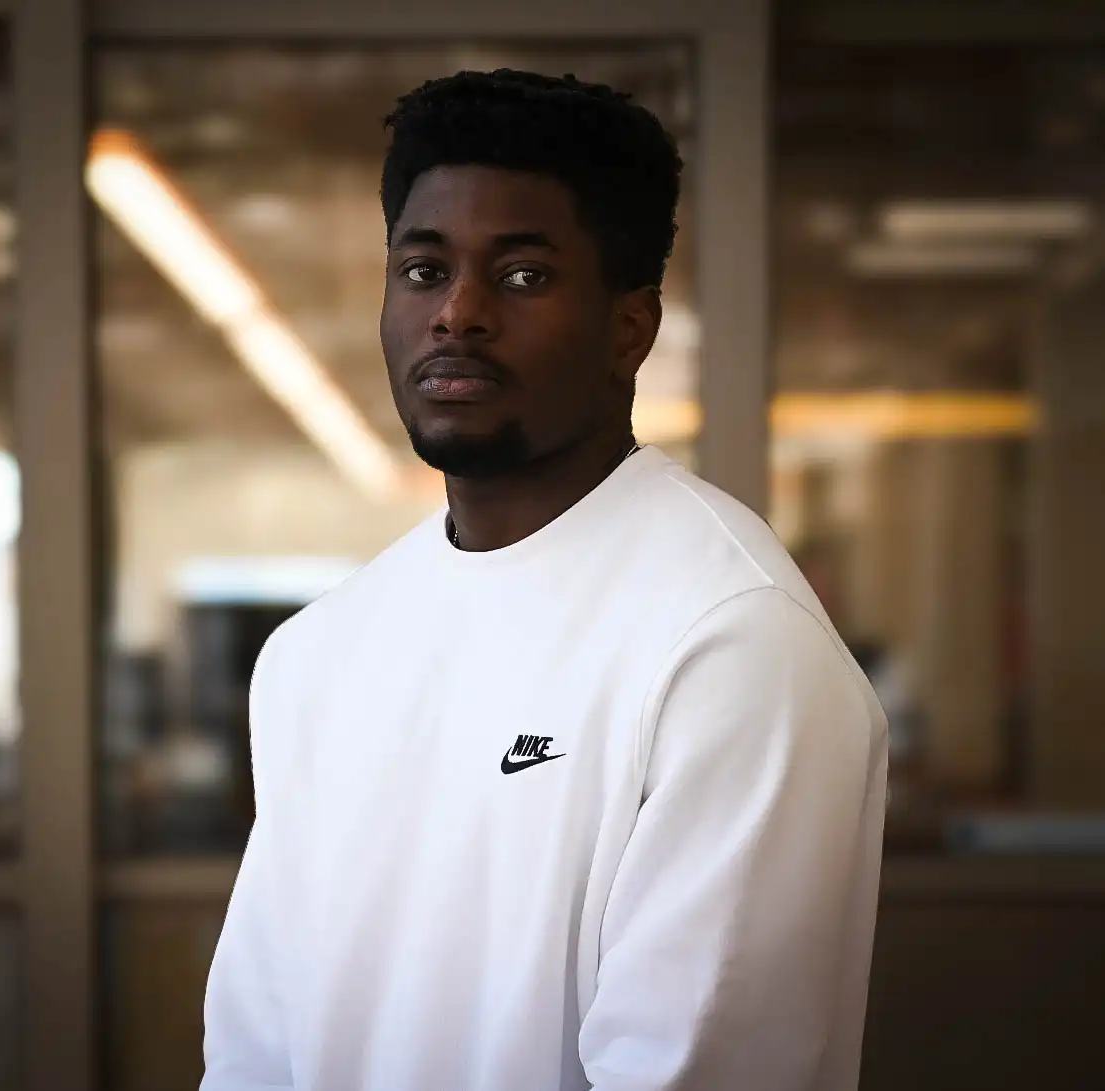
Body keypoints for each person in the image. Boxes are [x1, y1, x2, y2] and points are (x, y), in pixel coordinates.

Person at [201, 69, 888, 1091]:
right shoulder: (317, 652)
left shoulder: (731, 639)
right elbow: (255, 1051)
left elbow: (694, 1067)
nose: (458, 315)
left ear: (629, 329)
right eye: (423, 270)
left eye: (520, 275)